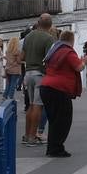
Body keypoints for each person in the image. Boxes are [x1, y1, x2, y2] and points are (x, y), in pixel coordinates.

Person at [40, 30, 87, 157]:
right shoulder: (68, 51)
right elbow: (78, 67)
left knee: (54, 120)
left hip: (46, 87)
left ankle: (52, 148)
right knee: (64, 120)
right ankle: (57, 148)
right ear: (71, 40)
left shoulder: (54, 50)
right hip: (58, 89)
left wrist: (81, 61)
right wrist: (85, 61)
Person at [21, 15, 57, 146]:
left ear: (38, 23)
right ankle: (32, 137)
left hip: (28, 73)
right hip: (39, 75)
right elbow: (49, 60)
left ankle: (26, 135)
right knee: (37, 106)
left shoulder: (28, 36)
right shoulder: (49, 38)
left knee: (30, 105)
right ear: (50, 25)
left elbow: (21, 57)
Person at [3, 36, 24, 101]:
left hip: (8, 68)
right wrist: (23, 62)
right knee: (13, 84)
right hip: (15, 69)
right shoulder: (17, 51)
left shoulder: (7, 51)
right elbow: (18, 61)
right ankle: (11, 97)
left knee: (8, 83)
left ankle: (5, 96)